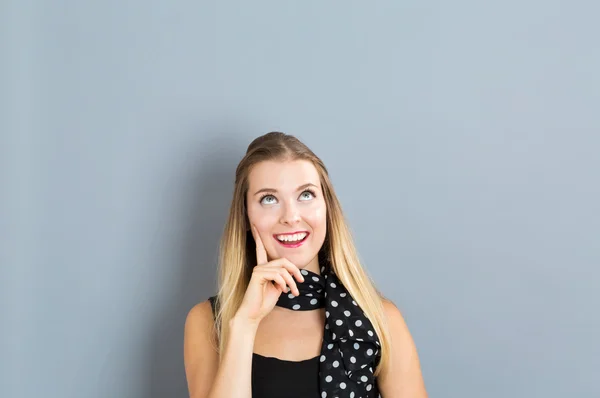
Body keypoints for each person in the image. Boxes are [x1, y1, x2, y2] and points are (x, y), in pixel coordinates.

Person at [184, 132, 428, 397]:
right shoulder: (208, 322)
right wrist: (245, 324)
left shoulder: (381, 320)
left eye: (306, 195)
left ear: (326, 208)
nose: (291, 216)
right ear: (245, 216)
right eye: (269, 199)